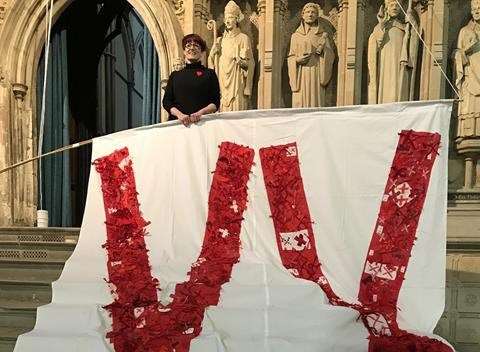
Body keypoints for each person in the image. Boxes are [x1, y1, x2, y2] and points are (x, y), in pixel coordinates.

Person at [163, 34, 220, 126]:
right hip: (178, 125)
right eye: (188, 46)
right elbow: (166, 102)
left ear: (201, 52)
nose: (192, 48)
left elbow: (215, 103)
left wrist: (200, 113)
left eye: (196, 46)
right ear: (184, 52)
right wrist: (180, 115)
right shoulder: (175, 75)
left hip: (202, 124)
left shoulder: (209, 74)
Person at [208, 0, 254, 112]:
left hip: (237, 81)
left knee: (237, 111)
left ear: (237, 19)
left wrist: (241, 62)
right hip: (222, 82)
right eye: (226, 18)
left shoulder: (243, 38)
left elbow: (250, 63)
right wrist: (212, 55)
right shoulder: (219, 40)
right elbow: (211, 64)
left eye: (231, 18)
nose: (228, 21)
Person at [287, 2, 335, 108]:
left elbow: (330, 57)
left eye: (313, 12)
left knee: (316, 102)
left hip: (317, 72)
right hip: (301, 74)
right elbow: (291, 57)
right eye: (308, 12)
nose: (310, 14)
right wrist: (297, 60)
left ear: (317, 15)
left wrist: (324, 51)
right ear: (303, 15)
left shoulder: (323, 35)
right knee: (301, 102)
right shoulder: (295, 36)